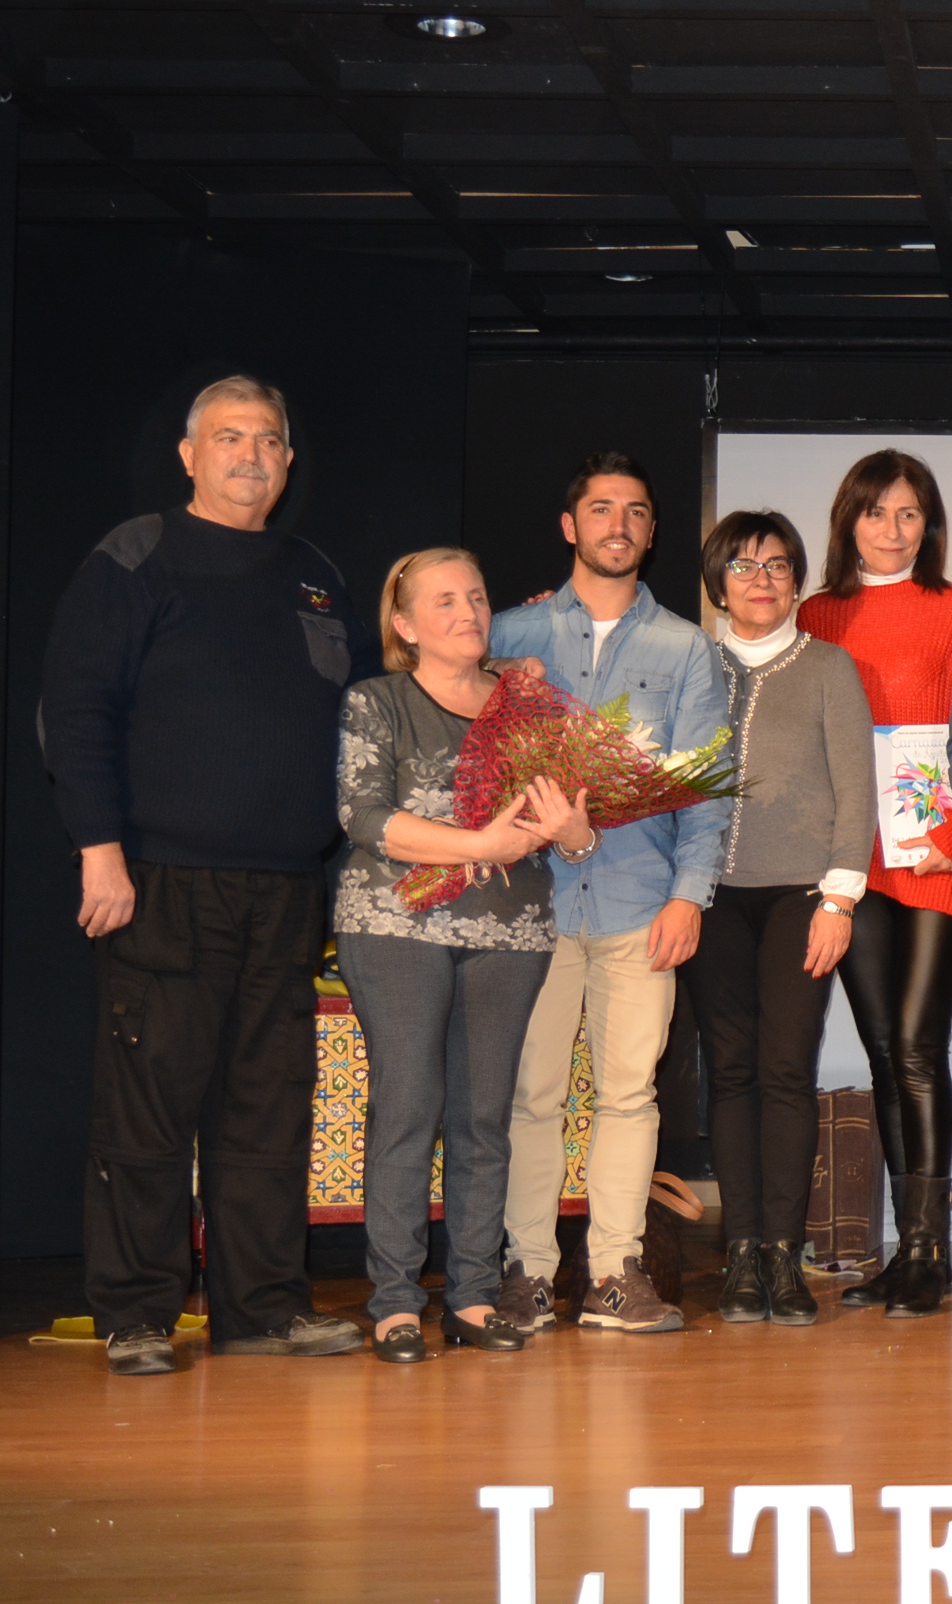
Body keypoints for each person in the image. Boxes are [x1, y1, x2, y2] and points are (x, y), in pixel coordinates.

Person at [44, 376, 377, 1375]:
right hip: (159, 879)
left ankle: (263, 1307)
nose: (249, 454)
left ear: (287, 460)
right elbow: (76, 707)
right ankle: (139, 1313)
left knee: (268, 1104)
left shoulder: (315, 573)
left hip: (284, 885)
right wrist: (97, 845)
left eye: (267, 440)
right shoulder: (134, 557)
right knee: (149, 1104)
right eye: (228, 437)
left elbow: (357, 717)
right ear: (189, 455)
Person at [491, 451, 730, 1337]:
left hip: (640, 903)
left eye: (634, 511)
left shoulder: (685, 647)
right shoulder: (511, 636)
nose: (617, 525)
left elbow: (705, 786)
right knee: (531, 1095)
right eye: (600, 509)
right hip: (532, 905)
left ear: (652, 531)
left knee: (632, 1095)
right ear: (570, 526)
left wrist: (689, 897)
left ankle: (617, 1275)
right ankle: (526, 1273)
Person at [334, 550, 561, 1364]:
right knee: (407, 1110)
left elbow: (570, 823)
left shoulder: (529, 708)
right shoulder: (377, 701)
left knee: (483, 1117)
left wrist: (569, 825)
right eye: (445, 601)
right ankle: (395, 1303)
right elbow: (365, 818)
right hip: (396, 926)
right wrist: (480, 842)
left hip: (510, 932)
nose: (468, 611)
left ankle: (468, 1294)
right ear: (405, 626)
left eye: (476, 595)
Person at [795, 450, 952, 1319]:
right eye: (877, 514)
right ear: (850, 521)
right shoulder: (815, 614)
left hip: (936, 857)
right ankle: (907, 1251)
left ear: (929, 525)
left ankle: (930, 1253)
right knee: (879, 1054)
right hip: (850, 857)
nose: (894, 531)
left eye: (910, 515)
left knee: (915, 1045)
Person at [685, 511, 874, 1327]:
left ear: (797, 580)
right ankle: (742, 1255)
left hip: (803, 896)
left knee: (785, 1074)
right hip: (710, 896)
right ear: (717, 583)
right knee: (729, 1074)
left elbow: (856, 793)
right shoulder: (692, 669)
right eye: (742, 564)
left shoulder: (830, 668)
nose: (760, 578)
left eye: (776, 564)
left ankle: (785, 1257)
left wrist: (839, 899)